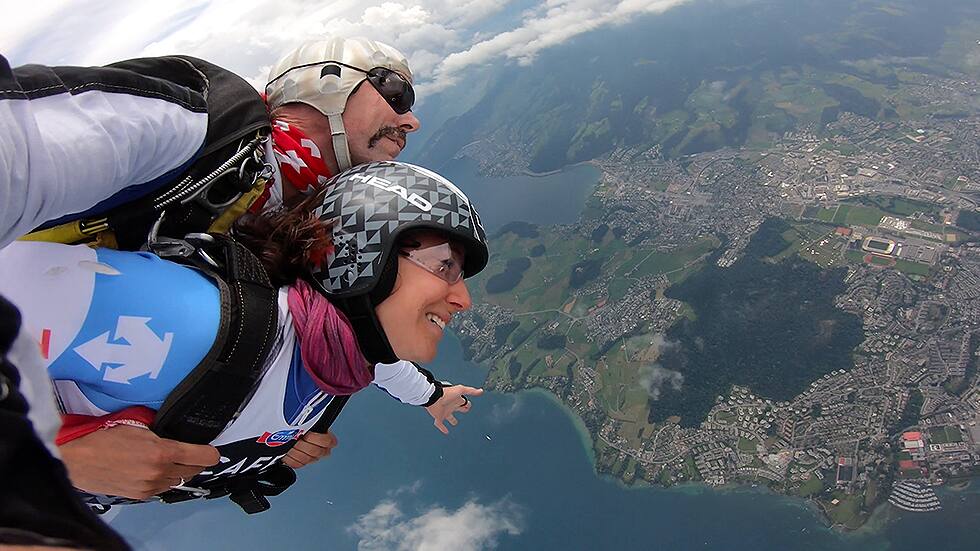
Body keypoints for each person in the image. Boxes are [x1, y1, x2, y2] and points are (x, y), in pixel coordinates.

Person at [0, 36, 479, 504]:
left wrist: (263, 431)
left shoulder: (315, 236)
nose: (411, 121)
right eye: (396, 92)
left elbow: (361, 331)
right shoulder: (194, 126)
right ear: (326, 81)